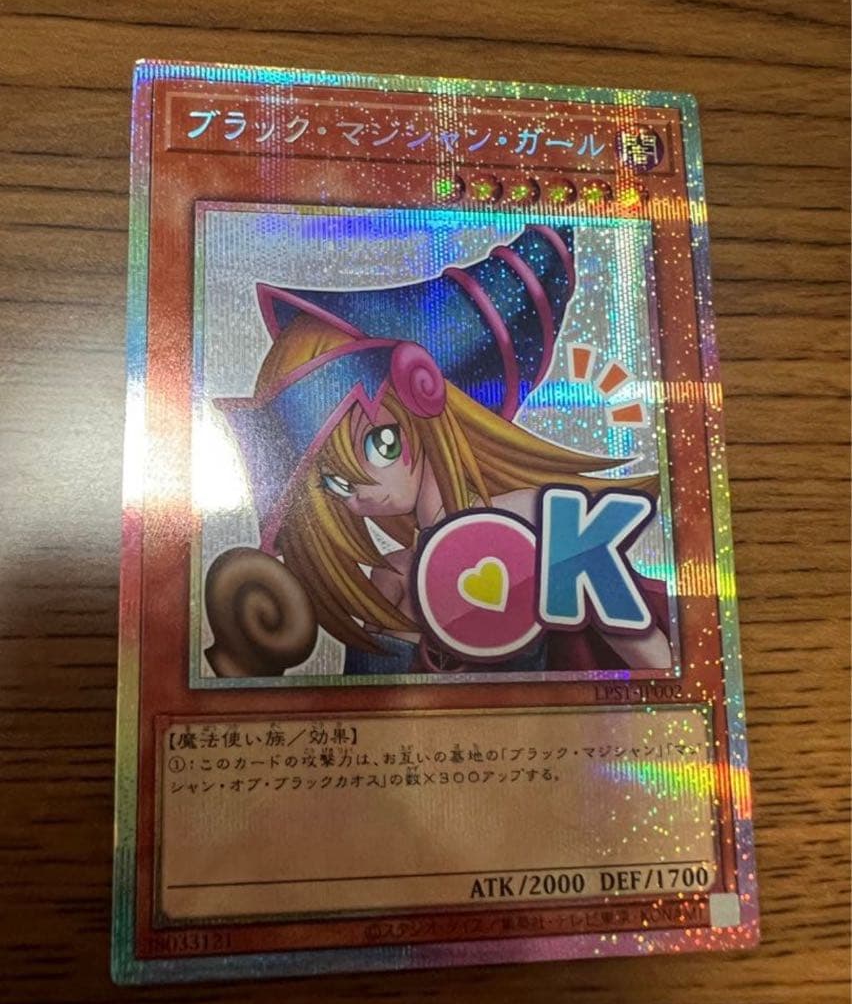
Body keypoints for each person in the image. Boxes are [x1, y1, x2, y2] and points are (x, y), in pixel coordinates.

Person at [208, 224, 671, 677]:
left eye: (380, 444)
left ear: (427, 404)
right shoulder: (392, 578)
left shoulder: (536, 516)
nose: (359, 492)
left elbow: (647, 652)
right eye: (335, 481)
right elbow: (369, 707)